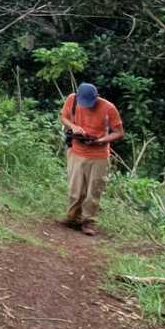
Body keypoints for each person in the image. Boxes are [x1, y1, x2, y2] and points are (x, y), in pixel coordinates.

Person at [60, 81, 123, 235]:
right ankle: (73, 218)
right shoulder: (72, 100)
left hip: (99, 154)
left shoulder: (108, 108)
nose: (88, 106)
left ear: (97, 97)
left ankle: (88, 221)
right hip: (76, 151)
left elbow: (119, 133)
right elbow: (63, 117)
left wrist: (101, 140)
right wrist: (73, 127)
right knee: (75, 189)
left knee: (94, 190)